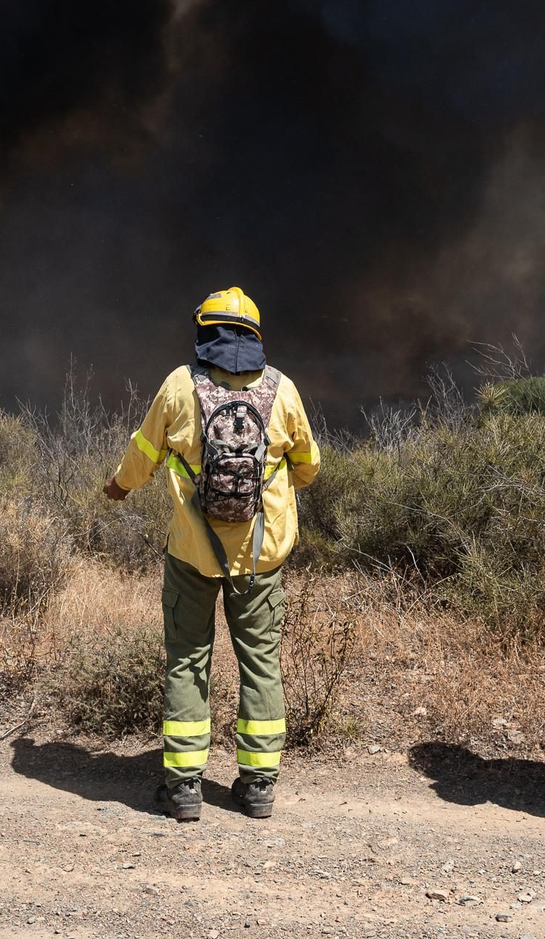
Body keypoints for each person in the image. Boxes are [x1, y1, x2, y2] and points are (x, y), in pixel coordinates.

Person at [104, 287, 320, 822]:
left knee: (187, 661)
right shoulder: (283, 389)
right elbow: (311, 467)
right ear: (254, 335)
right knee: (261, 665)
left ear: (205, 332)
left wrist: (119, 487)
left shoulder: (181, 385)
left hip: (192, 556)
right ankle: (258, 788)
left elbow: (143, 454)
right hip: (261, 560)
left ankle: (182, 789)